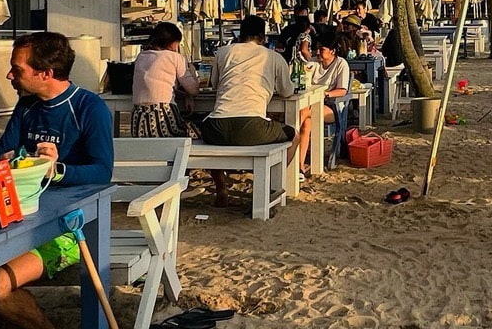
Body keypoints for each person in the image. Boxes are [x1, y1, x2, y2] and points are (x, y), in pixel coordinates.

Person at [0, 32, 114, 329]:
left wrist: (58, 170)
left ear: (45, 73)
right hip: (19, 217)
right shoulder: (27, 107)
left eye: (17, 69)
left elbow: (103, 172)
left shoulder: (88, 107)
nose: (10, 76)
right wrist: (10, 162)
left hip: (72, 226)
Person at [207, 13, 307, 202]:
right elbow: (287, 92)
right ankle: (272, 182)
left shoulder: (223, 52)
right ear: (263, 38)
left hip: (216, 127)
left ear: (239, 35)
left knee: (210, 140)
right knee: (294, 135)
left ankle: (221, 185)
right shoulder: (273, 56)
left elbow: (214, 84)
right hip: (251, 127)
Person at [130, 21, 200, 137]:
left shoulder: (141, 56)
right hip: (163, 118)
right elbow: (193, 90)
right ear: (170, 42)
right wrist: (192, 71)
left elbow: (158, 85)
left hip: (139, 122)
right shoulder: (175, 57)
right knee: (198, 131)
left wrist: (185, 96)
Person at [313, 25, 354, 167]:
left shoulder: (341, 64)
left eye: (322, 49)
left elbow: (342, 91)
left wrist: (325, 94)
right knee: (302, 116)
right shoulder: (313, 64)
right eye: (317, 48)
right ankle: (300, 160)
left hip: (333, 107)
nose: (317, 52)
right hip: (311, 103)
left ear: (332, 51)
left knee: (305, 114)